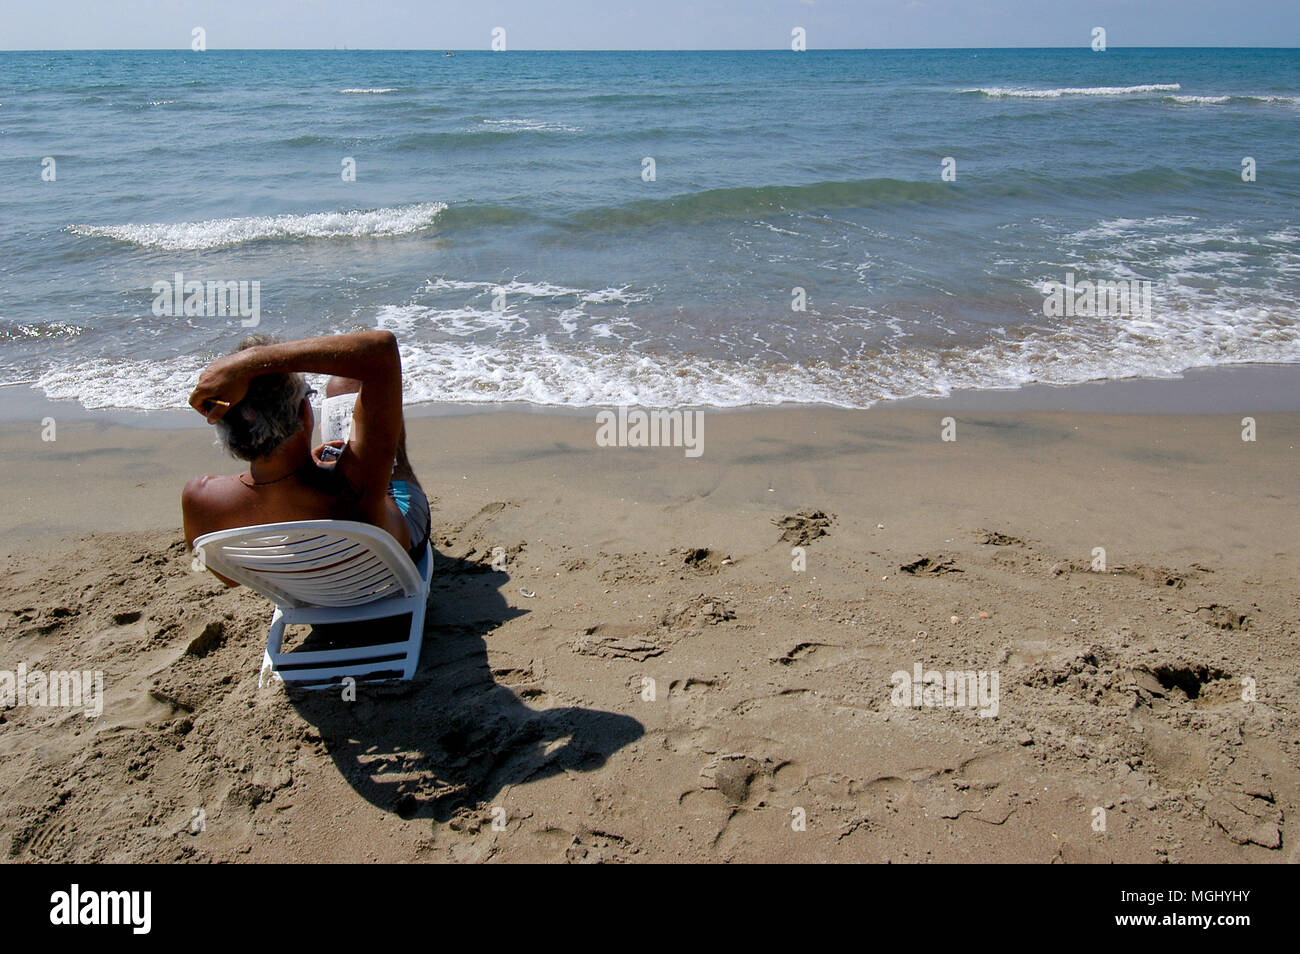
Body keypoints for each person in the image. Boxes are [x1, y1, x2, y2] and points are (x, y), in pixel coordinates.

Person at [181, 330, 430, 586]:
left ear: (226, 428)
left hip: (302, 586)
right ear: (303, 413)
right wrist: (252, 360)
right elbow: (381, 349)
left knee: (341, 387)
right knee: (355, 397)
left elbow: (230, 578)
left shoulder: (200, 499)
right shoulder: (355, 481)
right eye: (307, 395)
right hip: (388, 566)